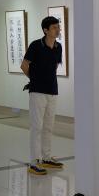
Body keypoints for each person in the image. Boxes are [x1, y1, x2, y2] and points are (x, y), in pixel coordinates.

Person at [20, 17, 65, 176]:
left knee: (48, 126)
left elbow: (54, 67)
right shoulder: (35, 45)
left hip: (52, 91)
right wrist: (35, 80)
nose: (57, 30)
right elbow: (24, 65)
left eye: (58, 27)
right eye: (54, 28)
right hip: (37, 92)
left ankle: (46, 157)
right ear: (46, 30)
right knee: (37, 127)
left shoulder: (58, 47)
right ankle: (34, 162)